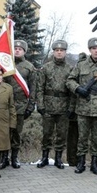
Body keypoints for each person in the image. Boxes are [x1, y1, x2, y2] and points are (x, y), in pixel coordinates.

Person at [66, 38, 97, 175]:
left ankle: (94, 163)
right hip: (83, 106)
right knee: (82, 137)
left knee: (96, 138)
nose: (96, 51)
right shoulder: (81, 65)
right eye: (93, 48)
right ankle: (80, 162)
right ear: (90, 50)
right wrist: (78, 89)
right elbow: (69, 80)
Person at [36, 40, 74, 169]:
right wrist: (40, 105)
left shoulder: (70, 69)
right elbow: (40, 87)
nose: (59, 52)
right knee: (47, 133)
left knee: (61, 134)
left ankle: (58, 158)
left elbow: (73, 91)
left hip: (64, 106)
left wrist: (71, 107)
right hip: (48, 105)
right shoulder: (46, 67)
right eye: (57, 50)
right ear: (53, 52)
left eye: (61, 50)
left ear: (65, 52)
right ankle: (44, 157)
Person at [2, 39, 36, 169]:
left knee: (16, 133)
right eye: (15, 48)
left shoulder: (29, 67)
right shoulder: (6, 64)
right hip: (5, 104)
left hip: (21, 105)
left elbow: (33, 88)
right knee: (5, 132)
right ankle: (4, 158)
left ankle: (14, 158)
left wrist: (31, 106)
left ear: (24, 51)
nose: (17, 50)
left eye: (20, 49)